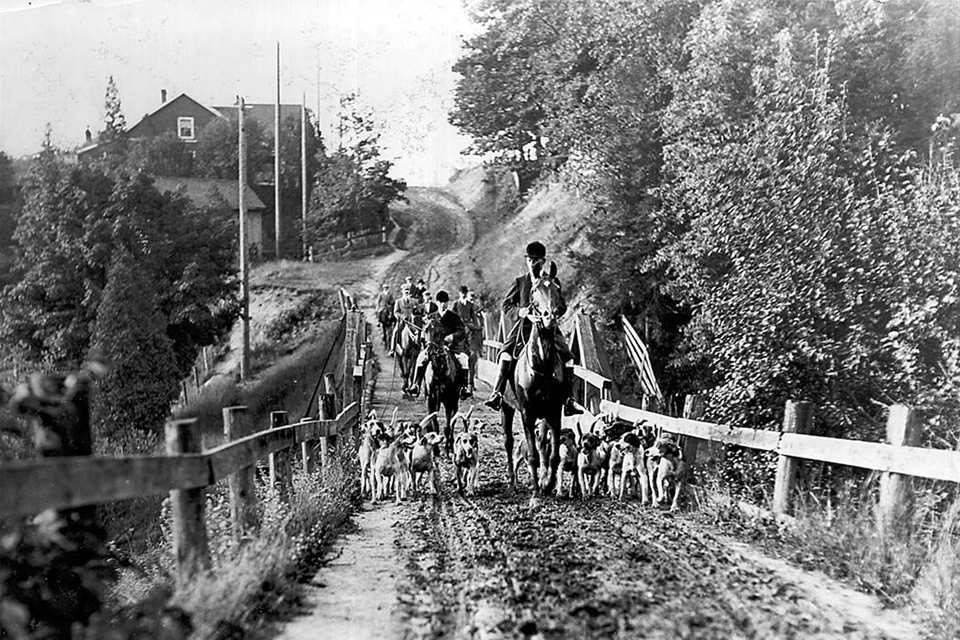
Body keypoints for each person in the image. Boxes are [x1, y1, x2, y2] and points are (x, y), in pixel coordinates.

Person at [484, 241, 582, 416]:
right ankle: (497, 393)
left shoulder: (552, 281)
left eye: (537, 260)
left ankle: (569, 399)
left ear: (543, 261)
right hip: (524, 327)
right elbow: (506, 305)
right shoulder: (521, 282)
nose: (533, 263)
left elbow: (563, 306)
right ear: (526, 261)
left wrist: (552, 314)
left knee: (568, 358)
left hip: (547, 328)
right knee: (506, 353)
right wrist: (522, 312)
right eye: (530, 259)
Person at [409, 290, 471, 399]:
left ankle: (464, 388)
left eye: (445, 302)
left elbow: (462, 332)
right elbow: (425, 332)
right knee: (420, 357)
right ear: (437, 303)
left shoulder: (454, 317)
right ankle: (416, 384)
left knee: (464, 359)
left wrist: (452, 337)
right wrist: (423, 337)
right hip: (433, 348)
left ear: (448, 303)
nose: (443, 304)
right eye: (440, 302)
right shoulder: (431, 317)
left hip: (451, 347)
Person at [391, 283, 422, 353]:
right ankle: (393, 349)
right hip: (403, 321)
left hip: (413, 322)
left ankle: (421, 347)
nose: (406, 292)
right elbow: (396, 312)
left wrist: (416, 311)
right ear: (402, 292)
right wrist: (402, 317)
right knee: (396, 332)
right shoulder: (398, 301)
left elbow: (419, 311)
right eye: (405, 290)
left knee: (420, 331)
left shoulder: (415, 301)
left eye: (408, 290)